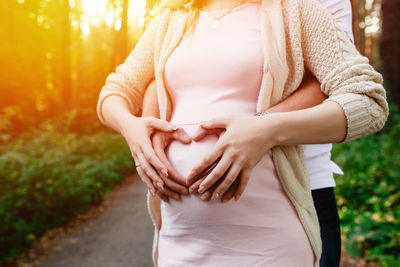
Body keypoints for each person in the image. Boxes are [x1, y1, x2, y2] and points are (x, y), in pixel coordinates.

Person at [96, 0, 388, 266]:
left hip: (267, 242)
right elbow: (116, 90)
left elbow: (368, 101)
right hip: (179, 242)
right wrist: (131, 128)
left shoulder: (298, 10)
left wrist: (265, 130)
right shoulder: (172, 17)